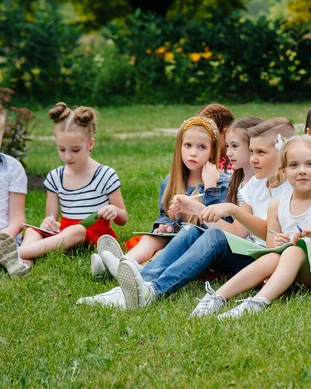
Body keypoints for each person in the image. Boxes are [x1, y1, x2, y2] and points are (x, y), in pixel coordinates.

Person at [77, 117, 295, 309]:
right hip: (244, 251)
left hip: (263, 259)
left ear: (282, 152)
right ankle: (139, 284)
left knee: (213, 235)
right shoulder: (253, 186)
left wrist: (232, 209)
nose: (254, 158)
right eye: (253, 152)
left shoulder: (289, 188)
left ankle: (154, 291)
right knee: (193, 229)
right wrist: (200, 211)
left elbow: (269, 239)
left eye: (261, 152)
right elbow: (239, 232)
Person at [190, 135, 311, 318]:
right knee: (275, 256)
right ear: (284, 170)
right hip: (291, 271)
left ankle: (257, 302)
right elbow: (271, 249)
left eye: (309, 164)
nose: (302, 171)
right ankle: (217, 298)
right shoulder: (277, 205)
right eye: (294, 165)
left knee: (294, 251)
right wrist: (280, 241)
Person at [91, 116, 229, 279]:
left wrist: (210, 187)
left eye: (201, 147)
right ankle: (124, 262)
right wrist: (165, 226)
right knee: (152, 238)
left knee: (163, 252)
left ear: (212, 151)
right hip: (174, 238)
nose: (193, 152)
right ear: (180, 147)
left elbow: (217, 227)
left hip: (200, 247)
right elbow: (165, 215)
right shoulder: (172, 181)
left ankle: (126, 270)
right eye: (188, 145)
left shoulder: (221, 183)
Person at [0, 102, 128, 277]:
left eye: (75, 150)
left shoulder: (105, 174)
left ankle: (19, 253)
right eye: (61, 149)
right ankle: (23, 264)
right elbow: (50, 218)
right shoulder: (55, 177)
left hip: (93, 234)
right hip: (62, 233)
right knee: (31, 231)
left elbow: (123, 218)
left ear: (90, 144)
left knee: (76, 231)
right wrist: (48, 223)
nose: (67, 156)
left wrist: (114, 210)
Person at [0, 110, 27, 276]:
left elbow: (18, 218)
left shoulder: (12, 168)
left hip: (6, 238)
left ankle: (10, 258)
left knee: (29, 234)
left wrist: (4, 237)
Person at [196, 104, 235, 174]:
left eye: (208, 135)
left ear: (225, 133)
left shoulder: (238, 163)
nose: (201, 141)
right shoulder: (199, 160)